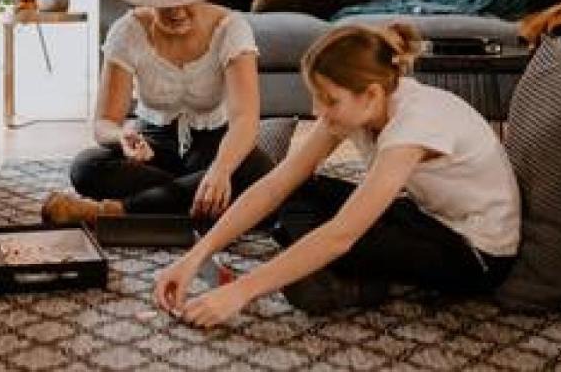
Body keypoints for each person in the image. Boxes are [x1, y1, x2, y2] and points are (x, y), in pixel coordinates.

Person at [153, 23, 521, 327]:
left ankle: (357, 287)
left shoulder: (416, 123)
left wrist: (240, 292)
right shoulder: (360, 106)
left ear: (372, 94)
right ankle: (316, 267)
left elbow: (342, 235)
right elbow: (277, 185)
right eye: (315, 96)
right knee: (297, 194)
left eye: (329, 99)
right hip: (427, 218)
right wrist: (195, 256)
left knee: (332, 237)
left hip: (475, 253)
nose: (317, 110)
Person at [42, 0, 274, 225]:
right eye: (166, 1)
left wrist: (221, 171)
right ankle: (196, 197)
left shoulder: (231, 28)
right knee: (86, 167)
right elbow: (103, 123)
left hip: (214, 146)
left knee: (257, 170)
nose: (177, 11)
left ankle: (112, 213)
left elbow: (245, 119)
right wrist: (121, 136)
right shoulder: (127, 32)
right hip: (152, 149)